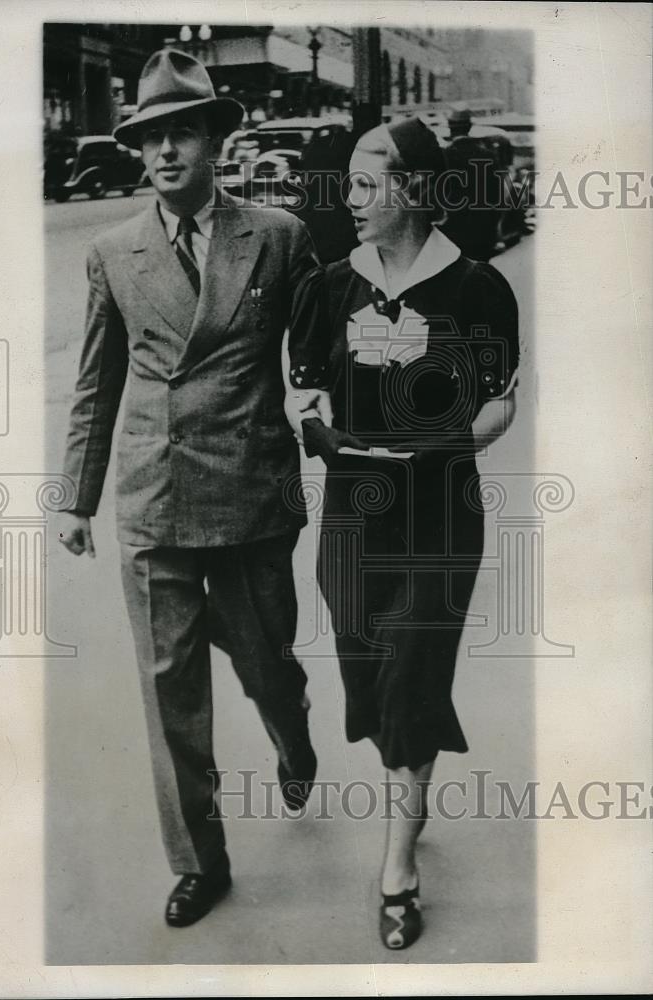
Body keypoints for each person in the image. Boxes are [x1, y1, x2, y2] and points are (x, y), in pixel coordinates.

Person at [58, 48, 319, 929]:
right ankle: (200, 860)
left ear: (216, 139)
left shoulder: (278, 236)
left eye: (183, 133)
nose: (166, 152)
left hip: (250, 492)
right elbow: (95, 384)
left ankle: (293, 732)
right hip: (153, 496)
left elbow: (320, 355)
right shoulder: (112, 250)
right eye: (151, 137)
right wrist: (74, 499)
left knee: (265, 664)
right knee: (169, 690)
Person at [286, 116, 519, 949]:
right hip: (352, 518)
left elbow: (501, 399)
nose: (346, 199)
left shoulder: (476, 288)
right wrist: (312, 421)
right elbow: (304, 389)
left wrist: (447, 445)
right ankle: (408, 772)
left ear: (413, 190)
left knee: (413, 674)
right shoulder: (329, 286)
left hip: (439, 517)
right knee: (370, 675)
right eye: (347, 183)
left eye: (363, 183)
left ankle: (398, 867)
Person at [441, 103, 503, 261]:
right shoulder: (488, 156)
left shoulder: (444, 157)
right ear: (469, 127)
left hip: (452, 232)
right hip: (482, 232)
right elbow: (498, 198)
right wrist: (493, 227)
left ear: (450, 127)